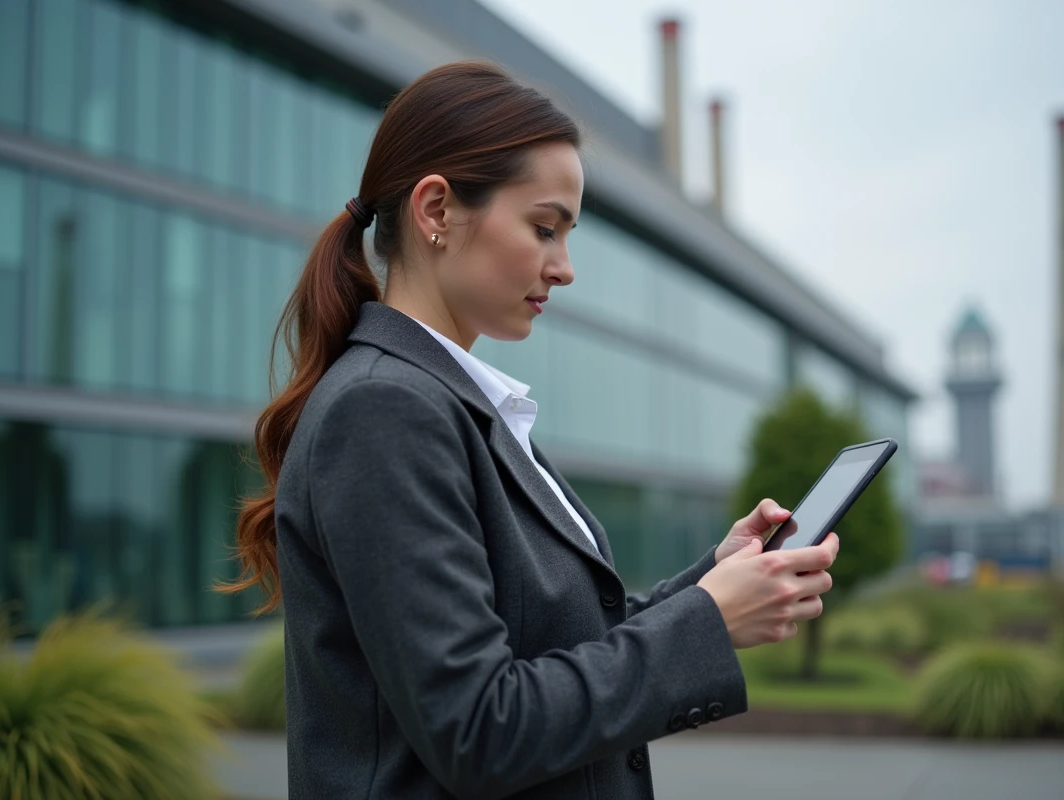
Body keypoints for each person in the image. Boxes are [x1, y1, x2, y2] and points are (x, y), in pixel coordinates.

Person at [220, 61, 839, 800]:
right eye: (545, 228)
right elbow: (479, 729)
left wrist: (710, 583)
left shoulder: (454, 404)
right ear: (437, 210)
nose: (565, 268)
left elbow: (559, 640)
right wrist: (706, 621)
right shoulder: (385, 410)